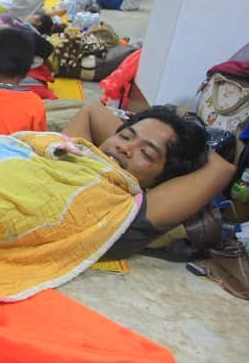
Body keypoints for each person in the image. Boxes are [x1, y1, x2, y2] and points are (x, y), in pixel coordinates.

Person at [63, 102, 236, 259]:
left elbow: (222, 169)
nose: (124, 148)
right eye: (124, 136)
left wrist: (191, 142)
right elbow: (91, 109)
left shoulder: (128, 215)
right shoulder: (72, 156)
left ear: (160, 183)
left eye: (146, 153)